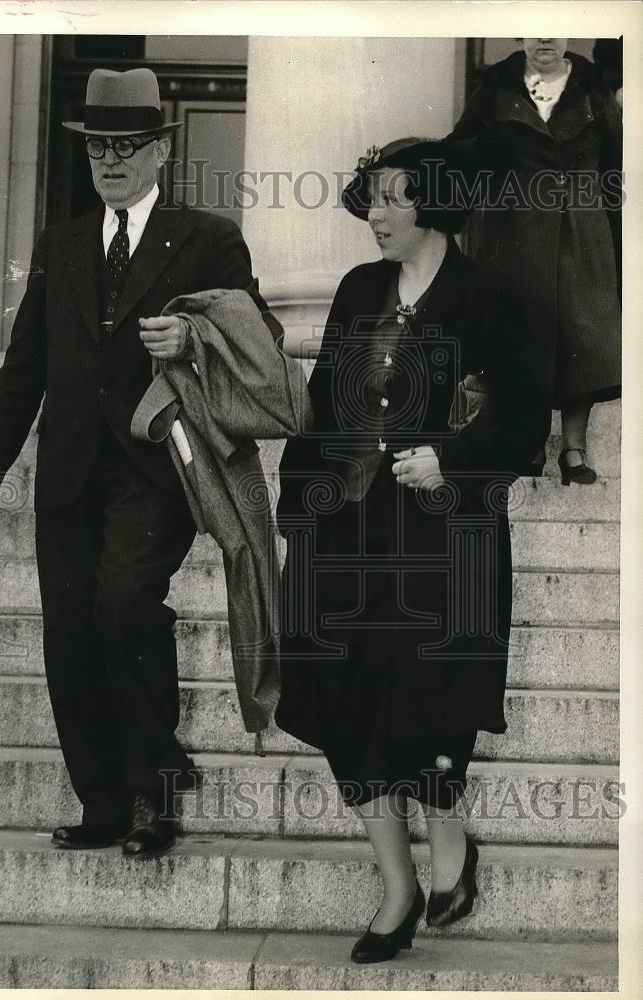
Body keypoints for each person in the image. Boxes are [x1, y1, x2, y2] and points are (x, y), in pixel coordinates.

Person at [0, 68, 282, 858]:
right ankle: (102, 799)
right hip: (68, 469)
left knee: (125, 603)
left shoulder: (206, 238)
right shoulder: (61, 243)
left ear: (161, 151)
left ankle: (152, 792)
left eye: (129, 145)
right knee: (69, 634)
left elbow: (258, 336)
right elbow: (26, 361)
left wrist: (193, 340)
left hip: (155, 465)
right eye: (100, 146)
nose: (112, 160)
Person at [275, 138, 550, 963]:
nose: (376, 215)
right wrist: (298, 513)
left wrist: (451, 459)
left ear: (432, 204)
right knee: (341, 699)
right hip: (348, 532)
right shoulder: (361, 290)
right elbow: (326, 404)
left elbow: (525, 422)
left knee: (430, 701)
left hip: (445, 534)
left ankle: (451, 842)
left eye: (392, 199)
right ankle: (398, 887)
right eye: (371, 199)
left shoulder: (494, 300)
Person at [447, 38, 622, 484]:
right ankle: (526, 445)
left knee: (583, 335)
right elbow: (462, 150)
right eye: (534, 29)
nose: (544, 39)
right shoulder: (496, 88)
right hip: (516, 230)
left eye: (554, 29)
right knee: (523, 335)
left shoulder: (592, 88)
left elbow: (619, 161)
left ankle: (573, 451)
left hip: (583, 231)